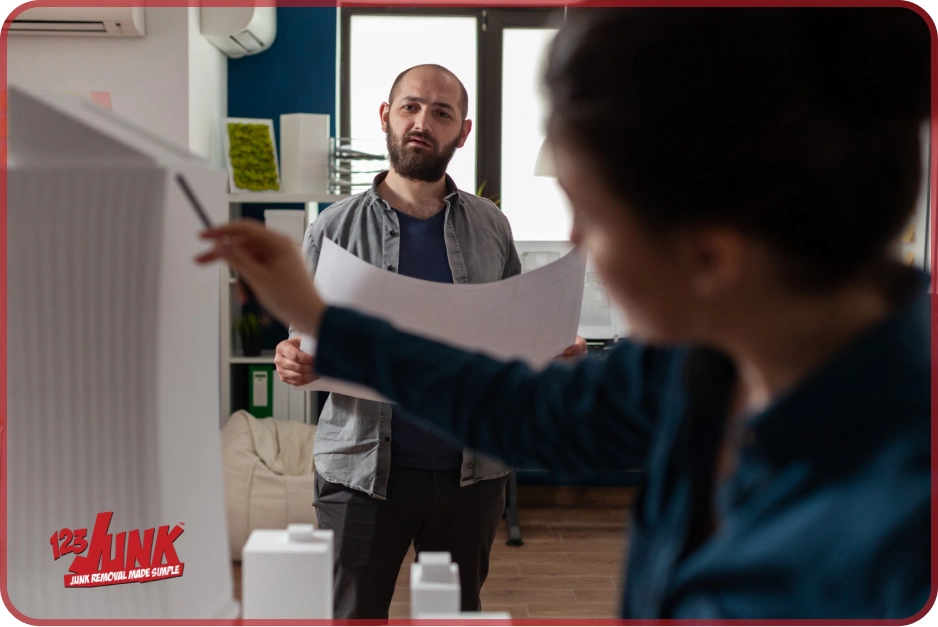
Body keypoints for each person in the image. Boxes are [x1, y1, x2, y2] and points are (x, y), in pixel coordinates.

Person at [198, 8, 930, 619]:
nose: (578, 243)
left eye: (594, 216)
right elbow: (516, 407)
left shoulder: (892, 527)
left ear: (712, 254)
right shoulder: (691, 366)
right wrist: (320, 319)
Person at [272, 63, 586, 618]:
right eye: (411, 107)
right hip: (360, 473)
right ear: (386, 116)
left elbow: (510, 335)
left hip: (472, 475)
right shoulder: (332, 227)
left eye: (442, 113)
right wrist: (293, 359)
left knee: (455, 616)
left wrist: (552, 346)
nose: (423, 121)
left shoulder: (493, 226)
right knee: (353, 616)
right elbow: (303, 339)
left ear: (462, 132)